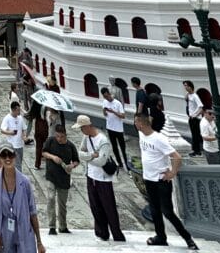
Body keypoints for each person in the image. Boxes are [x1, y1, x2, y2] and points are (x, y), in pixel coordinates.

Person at [134, 113, 199, 249]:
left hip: (161, 180)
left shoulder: (158, 139)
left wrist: (172, 173)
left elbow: (177, 157)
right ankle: (160, 237)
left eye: (136, 122)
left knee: (168, 212)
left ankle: (188, 239)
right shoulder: (141, 134)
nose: (135, 125)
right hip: (149, 178)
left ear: (140, 123)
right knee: (154, 209)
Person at [0, 142, 46, 253]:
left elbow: (33, 212)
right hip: (3, 231)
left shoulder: (25, 182)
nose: (7, 158)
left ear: (15, 156)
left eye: (10, 155)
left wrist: (39, 241)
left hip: (23, 231)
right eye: (4, 155)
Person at [76, 114, 125, 243]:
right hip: (91, 176)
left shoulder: (103, 140)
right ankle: (102, 232)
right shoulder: (86, 137)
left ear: (87, 126)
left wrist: (89, 158)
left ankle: (117, 234)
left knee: (109, 207)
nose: (81, 131)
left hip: (103, 178)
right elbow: (80, 153)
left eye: (82, 128)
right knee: (95, 206)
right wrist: (92, 156)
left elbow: (102, 161)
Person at [41, 121, 79, 235]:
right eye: (57, 136)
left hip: (64, 178)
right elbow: (43, 153)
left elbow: (76, 160)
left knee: (62, 204)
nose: (59, 139)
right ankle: (52, 226)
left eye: (61, 137)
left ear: (65, 135)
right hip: (51, 176)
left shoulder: (70, 146)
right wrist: (53, 157)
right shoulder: (50, 141)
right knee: (51, 199)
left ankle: (63, 226)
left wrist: (71, 166)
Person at [101, 87, 129, 170]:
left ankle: (126, 164)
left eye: (107, 96)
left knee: (122, 147)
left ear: (109, 93)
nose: (106, 98)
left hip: (118, 129)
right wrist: (105, 111)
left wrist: (113, 112)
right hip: (110, 127)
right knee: (114, 147)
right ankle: (119, 163)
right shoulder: (104, 102)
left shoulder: (117, 103)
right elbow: (104, 114)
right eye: (104, 97)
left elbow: (123, 116)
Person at [0, 100, 26, 172]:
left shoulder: (20, 118)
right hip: (12, 145)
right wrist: (10, 132)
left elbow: (23, 129)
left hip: (20, 145)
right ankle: (18, 177)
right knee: (16, 164)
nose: (19, 112)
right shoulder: (7, 118)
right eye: (18, 110)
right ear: (13, 110)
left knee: (19, 162)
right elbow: (2, 130)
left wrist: (24, 136)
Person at [183, 81, 204, 157]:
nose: (185, 87)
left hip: (194, 118)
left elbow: (201, 107)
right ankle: (196, 150)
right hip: (191, 118)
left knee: (196, 135)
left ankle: (197, 151)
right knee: (195, 134)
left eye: (186, 85)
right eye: (184, 86)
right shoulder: (189, 95)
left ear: (190, 86)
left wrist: (195, 115)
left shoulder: (195, 96)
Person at [30, 99, 48, 170]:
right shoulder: (46, 107)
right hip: (45, 128)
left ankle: (37, 164)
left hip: (38, 129)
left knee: (38, 147)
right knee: (47, 147)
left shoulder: (36, 108)